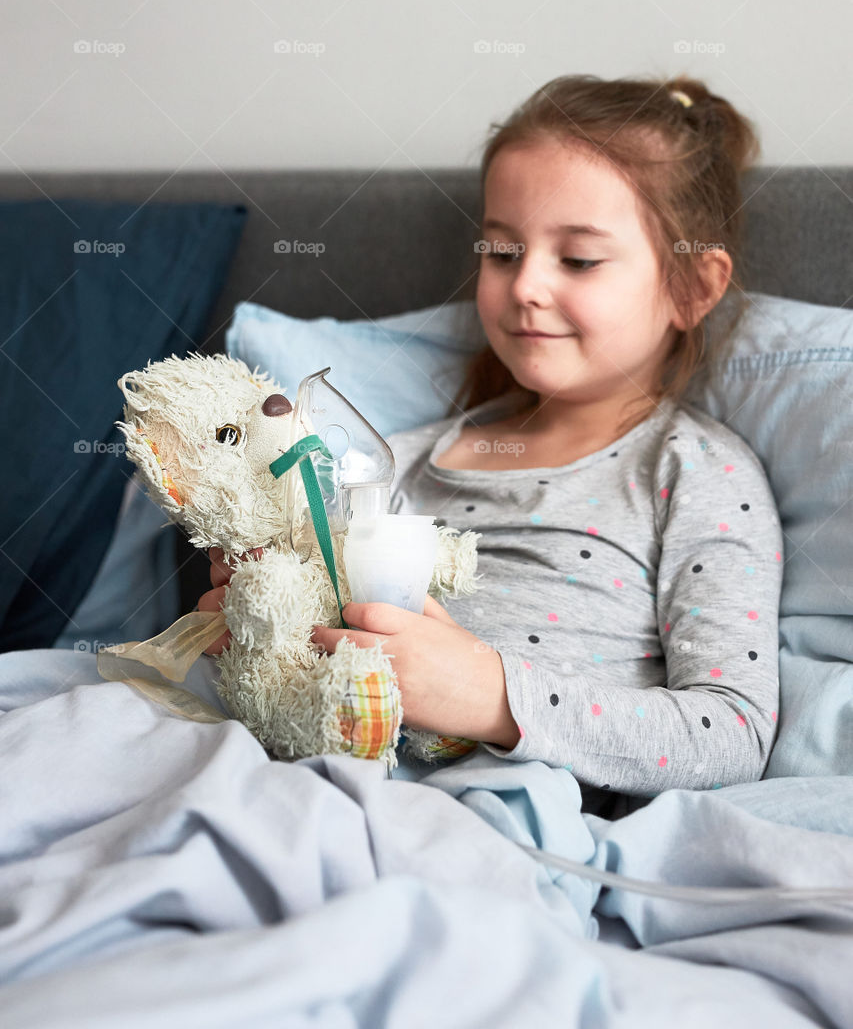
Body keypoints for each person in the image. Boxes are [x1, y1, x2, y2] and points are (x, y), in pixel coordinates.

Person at [202, 72, 784, 800]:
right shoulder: (396, 461)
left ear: (691, 287)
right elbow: (299, 641)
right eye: (502, 253)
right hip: (311, 775)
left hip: (487, 808)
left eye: (577, 259)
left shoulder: (695, 475)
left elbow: (729, 736)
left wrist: (491, 697)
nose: (525, 286)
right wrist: (249, 620)